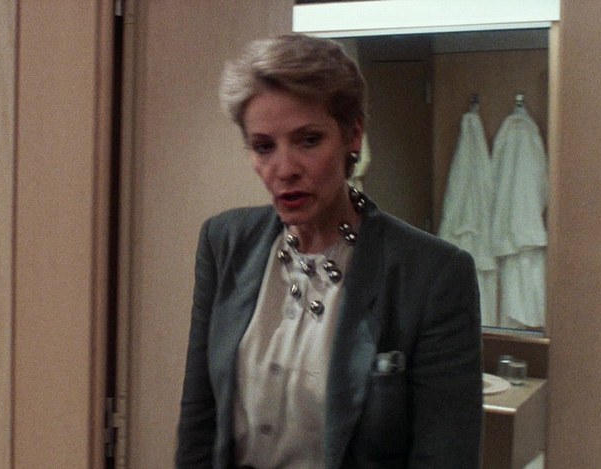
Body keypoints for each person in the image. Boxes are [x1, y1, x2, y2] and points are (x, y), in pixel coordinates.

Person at [175, 34, 482, 468]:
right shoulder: (225, 241)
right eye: (264, 146)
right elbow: (199, 418)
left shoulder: (432, 273)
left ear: (352, 135)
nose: (284, 169)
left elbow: (445, 456)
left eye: (308, 140)